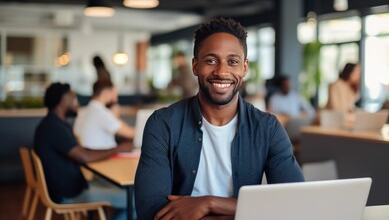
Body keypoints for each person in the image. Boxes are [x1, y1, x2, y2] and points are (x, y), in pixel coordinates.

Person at [134, 18, 304, 220]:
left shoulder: (268, 128)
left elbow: (294, 201)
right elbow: (151, 210)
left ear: (244, 68)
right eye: (211, 61)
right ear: (195, 66)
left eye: (232, 62)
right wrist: (246, 211)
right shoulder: (162, 124)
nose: (222, 72)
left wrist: (208, 203)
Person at [33, 82, 134, 220]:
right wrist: (118, 148)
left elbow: (80, 151)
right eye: (74, 99)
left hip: (70, 187)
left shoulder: (52, 123)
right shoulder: (55, 128)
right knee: (136, 200)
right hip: (70, 193)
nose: (78, 103)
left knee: (126, 191)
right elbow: (84, 157)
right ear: (63, 101)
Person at [74, 79, 135, 150]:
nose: (116, 99)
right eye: (114, 94)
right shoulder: (102, 113)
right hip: (102, 157)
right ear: (106, 92)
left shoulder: (82, 111)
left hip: (89, 156)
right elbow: (130, 133)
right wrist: (116, 117)